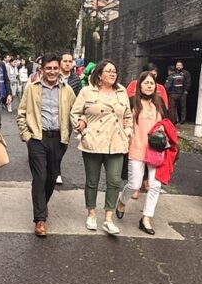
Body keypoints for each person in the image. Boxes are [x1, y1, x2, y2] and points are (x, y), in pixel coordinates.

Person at [70, 61, 132, 237]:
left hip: (116, 142)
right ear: (99, 75)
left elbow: (127, 115)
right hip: (93, 142)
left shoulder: (121, 92)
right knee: (92, 181)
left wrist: (127, 132)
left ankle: (108, 218)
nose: (112, 74)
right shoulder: (87, 91)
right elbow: (75, 112)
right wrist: (82, 129)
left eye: (114, 71)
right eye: (108, 71)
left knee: (114, 181)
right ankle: (91, 214)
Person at [17, 53, 76, 237]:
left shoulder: (67, 90)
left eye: (55, 68)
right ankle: (40, 219)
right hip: (37, 138)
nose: (52, 71)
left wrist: (76, 128)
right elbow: (21, 113)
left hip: (58, 139)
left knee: (51, 178)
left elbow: (76, 113)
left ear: (60, 69)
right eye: (48, 68)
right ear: (41, 70)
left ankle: (41, 204)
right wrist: (27, 135)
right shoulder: (32, 88)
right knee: (40, 177)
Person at [123, 73, 178, 236]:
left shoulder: (159, 103)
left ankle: (146, 218)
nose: (149, 86)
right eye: (145, 83)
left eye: (152, 83)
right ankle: (121, 201)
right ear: (139, 85)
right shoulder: (132, 102)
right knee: (134, 184)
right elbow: (125, 122)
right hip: (136, 147)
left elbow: (168, 123)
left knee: (155, 185)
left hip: (155, 150)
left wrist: (163, 129)